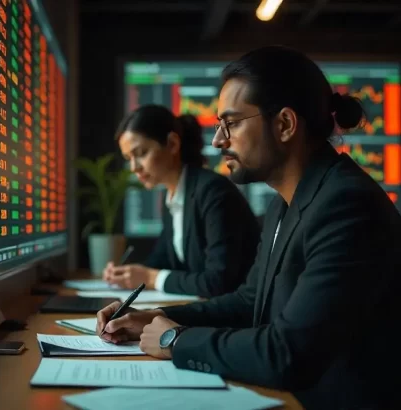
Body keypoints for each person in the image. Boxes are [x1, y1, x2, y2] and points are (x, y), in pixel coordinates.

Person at [96, 46, 401, 410]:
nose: (217, 140)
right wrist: (158, 318)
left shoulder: (347, 205)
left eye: (232, 123)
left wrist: (175, 340)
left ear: (285, 124)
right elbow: (250, 301)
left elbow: (289, 354)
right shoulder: (285, 203)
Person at [103, 104, 260, 298]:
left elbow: (219, 281)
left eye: (141, 153)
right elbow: (160, 262)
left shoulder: (213, 192)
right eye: (129, 158)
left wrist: (151, 278)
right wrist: (126, 274)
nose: (134, 167)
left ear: (172, 144)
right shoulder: (175, 195)